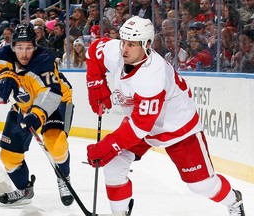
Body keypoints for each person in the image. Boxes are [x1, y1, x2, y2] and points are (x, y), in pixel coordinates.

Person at [85, 16, 246, 216]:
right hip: (141, 123)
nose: (124, 49)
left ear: (147, 44)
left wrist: (109, 144)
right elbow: (94, 51)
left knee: (201, 185)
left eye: (132, 44)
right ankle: (120, 213)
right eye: (124, 42)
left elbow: (141, 125)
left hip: (177, 128)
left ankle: (234, 200)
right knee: (113, 166)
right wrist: (95, 81)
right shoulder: (117, 52)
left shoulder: (153, 74)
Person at [0, 24, 74, 206]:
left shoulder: (44, 59)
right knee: (8, 157)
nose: (24, 53)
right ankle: (25, 189)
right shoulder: (0, 58)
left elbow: (51, 93)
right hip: (23, 106)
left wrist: (37, 114)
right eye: (20, 47)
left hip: (57, 102)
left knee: (55, 144)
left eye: (29, 47)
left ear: (35, 46)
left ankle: (64, 178)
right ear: (12, 45)